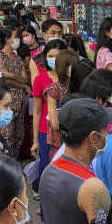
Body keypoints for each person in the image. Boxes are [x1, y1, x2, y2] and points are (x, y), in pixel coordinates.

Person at [31, 41, 71, 181]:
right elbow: (36, 111)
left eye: (58, 56)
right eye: (50, 56)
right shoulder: (40, 80)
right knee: (48, 168)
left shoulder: (70, 78)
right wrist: (35, 140)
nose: (54, 60)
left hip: (69, 130)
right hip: (45, 131)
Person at [0, 27, 30, 157]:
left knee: (18, 135)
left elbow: (25, 78)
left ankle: (14, 160)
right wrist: (20, 83)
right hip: (7, 102)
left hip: (20, 102)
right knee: (6, 136)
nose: (18, 40)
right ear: (7, 39)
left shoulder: (17, 57)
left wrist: (12, 76)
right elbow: (5, 81)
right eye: (15, 37)